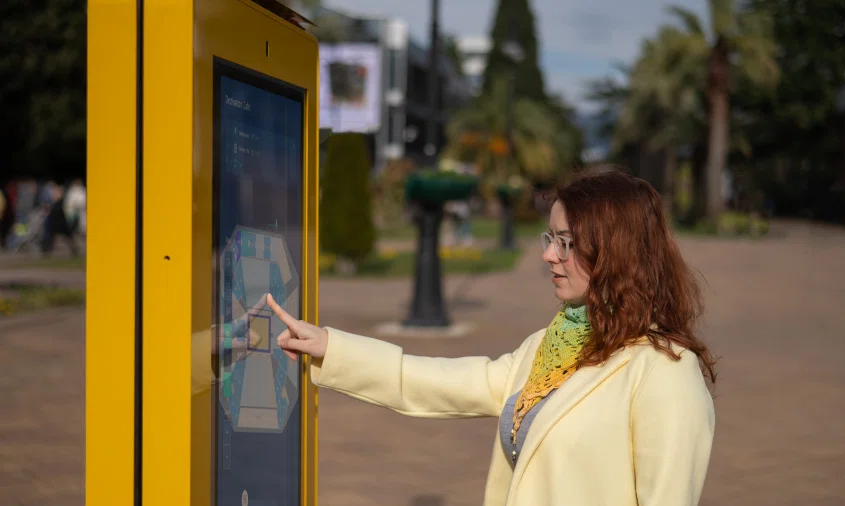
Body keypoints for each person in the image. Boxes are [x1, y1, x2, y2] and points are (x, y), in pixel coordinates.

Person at [268, 166, 717, 506]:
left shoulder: (665, 371)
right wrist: (331, 348)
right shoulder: (550, 345)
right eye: (549, 238)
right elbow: (438, 382)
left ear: (614, 250)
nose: (548, 254)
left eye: (565, 242)